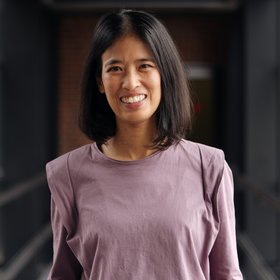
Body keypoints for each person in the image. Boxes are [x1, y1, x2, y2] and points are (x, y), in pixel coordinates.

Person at [46, 9, 243, 280]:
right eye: (115, 68)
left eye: (144, 65)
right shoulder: (67, 174)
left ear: (164, 73)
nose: (130, 82)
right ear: (100, 82)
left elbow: (227, 274)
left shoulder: (210, 168)